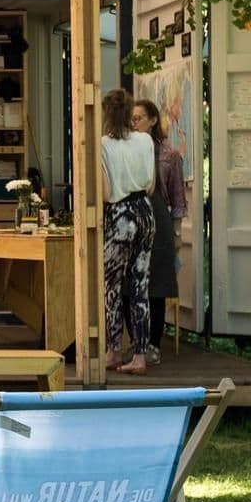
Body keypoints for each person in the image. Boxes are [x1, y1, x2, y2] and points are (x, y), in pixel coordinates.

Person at [102, 88, 157, 375]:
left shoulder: (104, 145)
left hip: (120, 214)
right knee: (140, 286)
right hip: (145, 211)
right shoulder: (145, 140)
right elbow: (151, 185)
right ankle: (140, 355)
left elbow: (106, 191)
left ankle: (113, 350)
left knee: (112, 285)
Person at [133, 98, 188, 365]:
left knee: (157, 285)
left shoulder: (169, 155)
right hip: (132, 222)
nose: (135, 123)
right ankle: (136, 342)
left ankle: (153, 343)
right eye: (131, 119)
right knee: (128, 284)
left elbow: (178, 200)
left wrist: (178, 235)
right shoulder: (128, 151)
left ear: (153, 120)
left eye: (139, 118)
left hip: (160, 223)